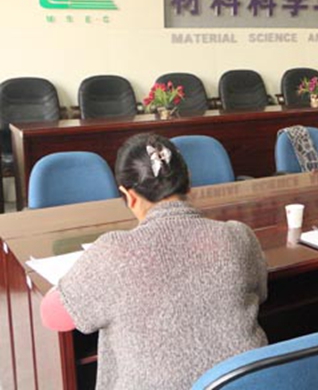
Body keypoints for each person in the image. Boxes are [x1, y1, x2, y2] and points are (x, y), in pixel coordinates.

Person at [40, 133, 268, 390]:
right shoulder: (239, 236)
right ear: (188, 181)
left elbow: (52, 315)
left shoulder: (113, 253)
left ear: (129, 196)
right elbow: (261, 293)